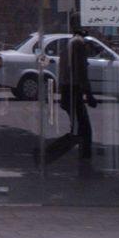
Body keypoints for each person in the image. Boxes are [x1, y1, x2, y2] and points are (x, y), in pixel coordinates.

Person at [37, 18, 98, 170]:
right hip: (73, 89)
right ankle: (82, 161)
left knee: (78, 128)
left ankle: (78, 158)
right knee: (84, 129)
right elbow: (80, 71)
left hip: (68, 89)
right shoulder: (78, 43)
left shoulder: (70, 43)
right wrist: (89, 93)